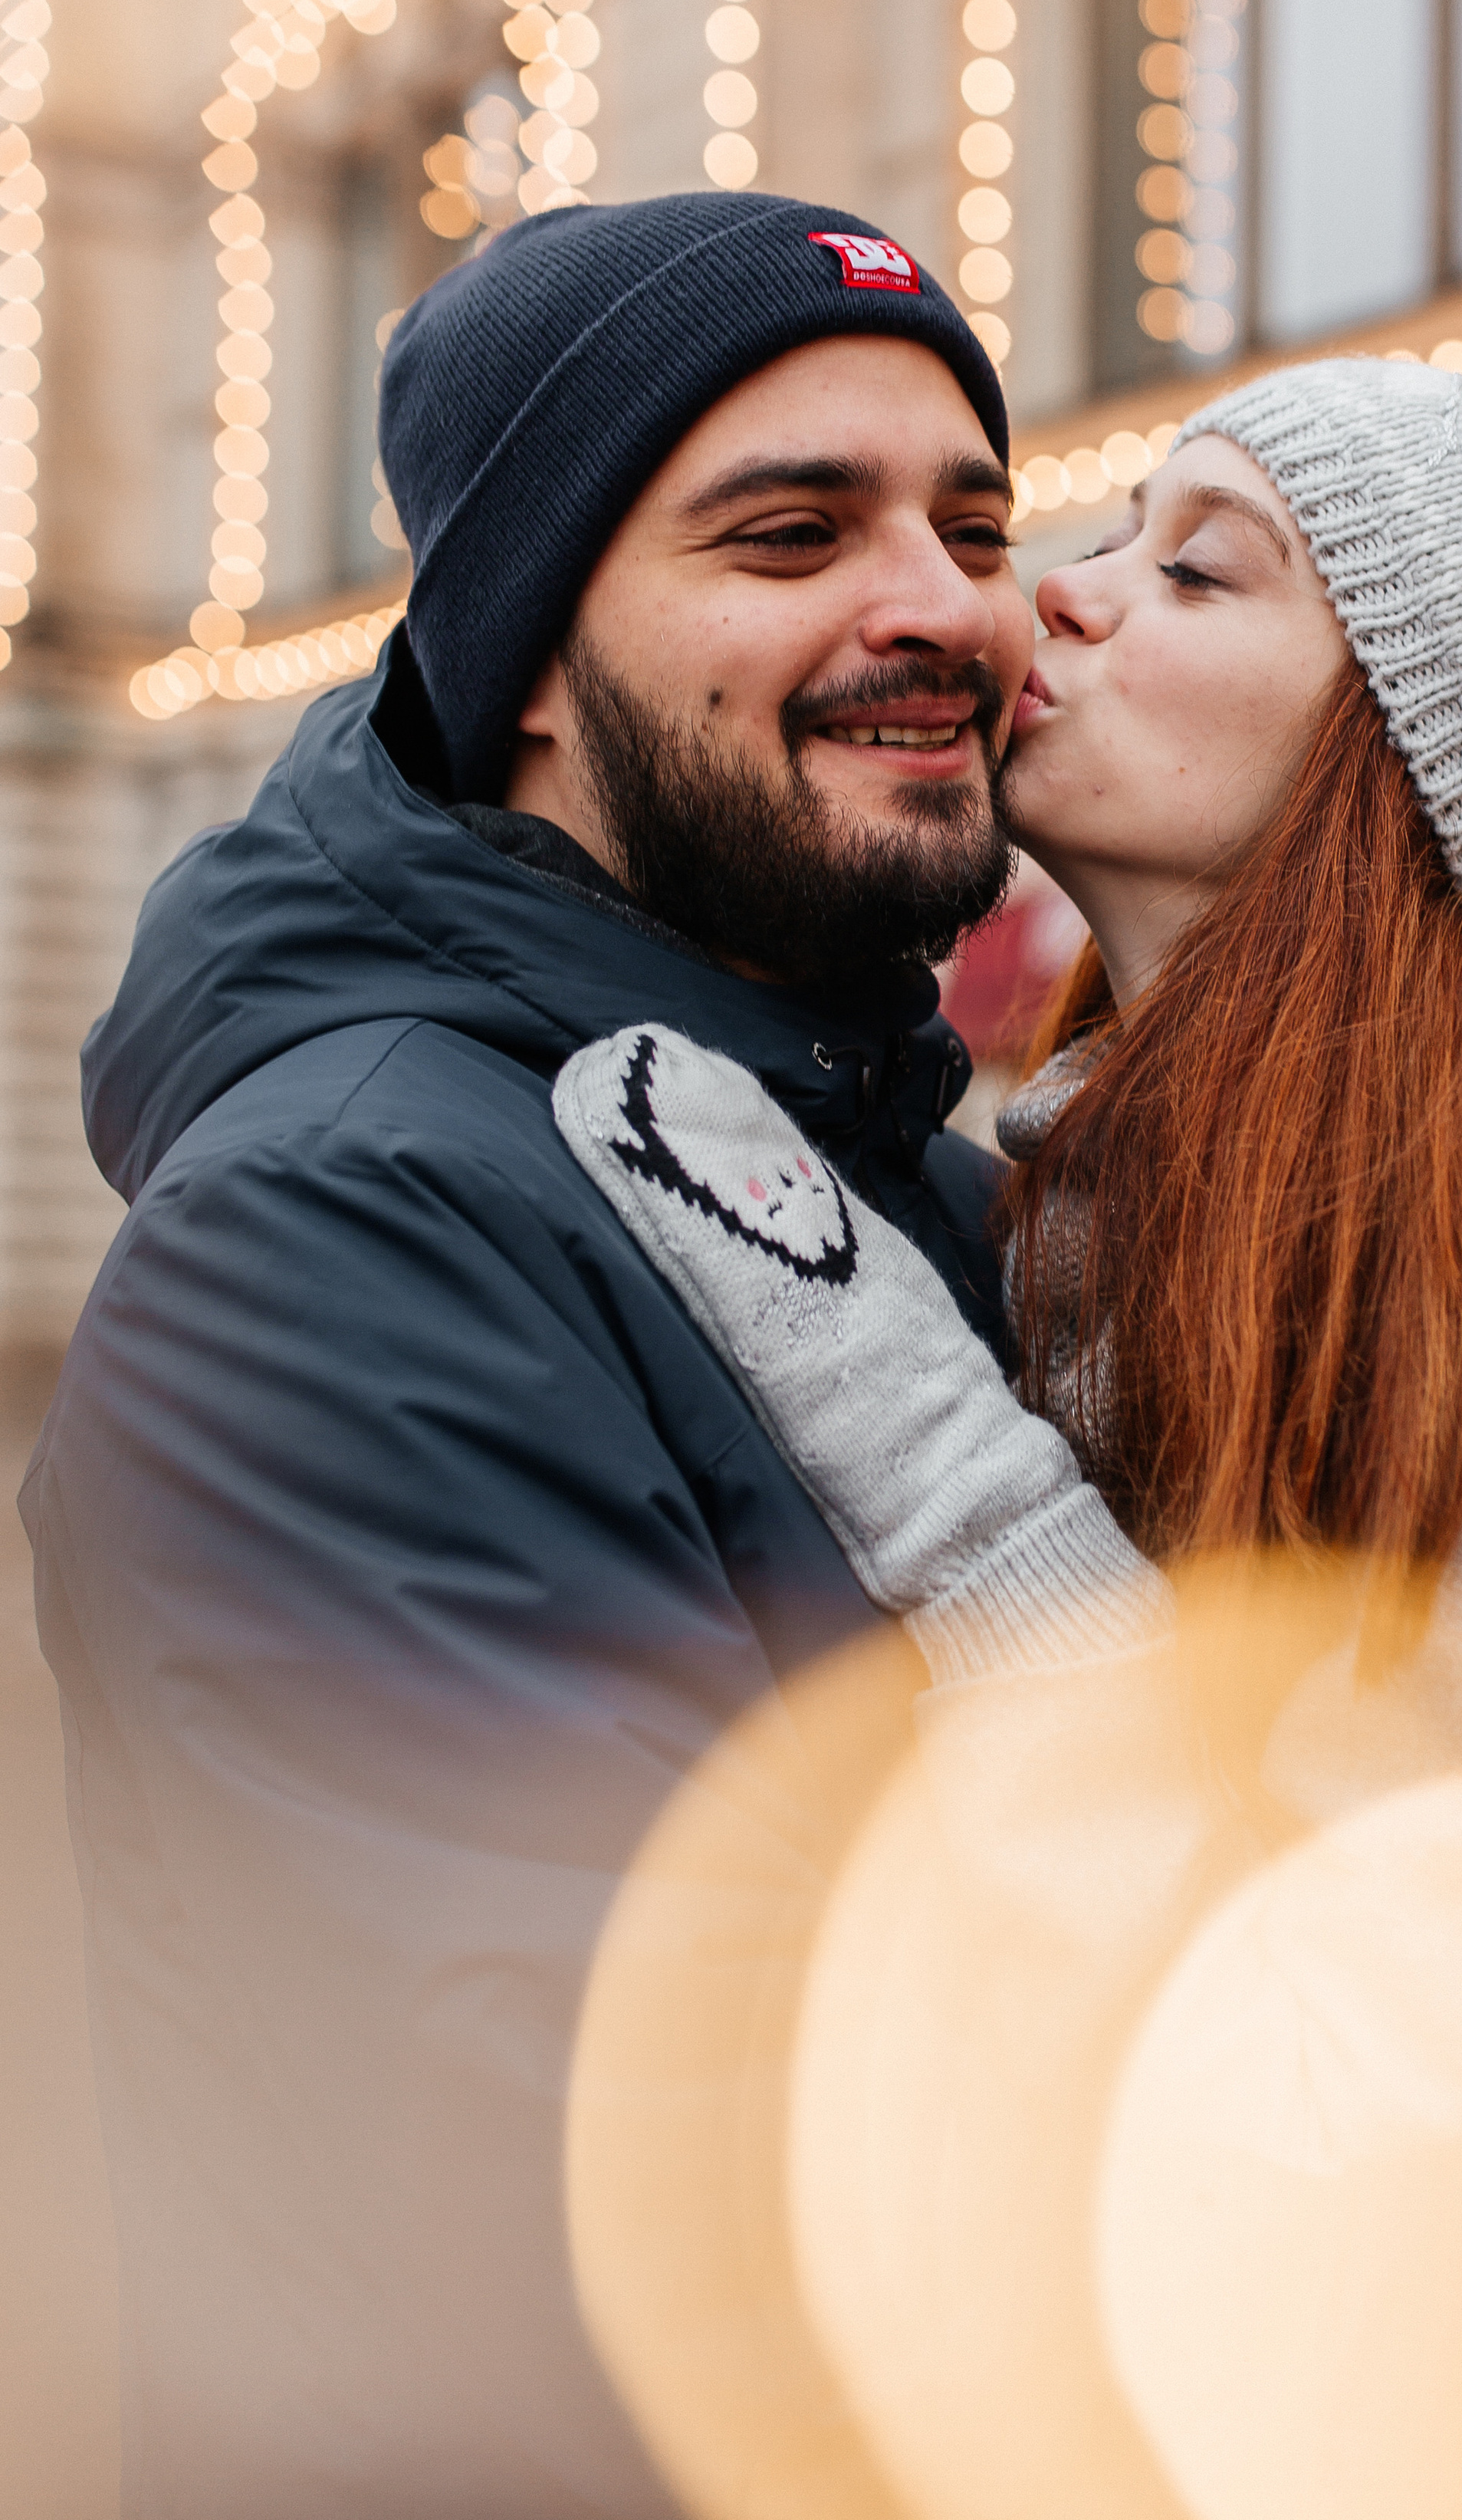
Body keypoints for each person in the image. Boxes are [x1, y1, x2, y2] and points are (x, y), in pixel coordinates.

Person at [556, 355, 1462, 2512]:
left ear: (1400, 771)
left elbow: (1384, 2135)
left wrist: (964, 1501)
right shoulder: (1128, 1215)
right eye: (1108, 539)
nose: (1069, 601)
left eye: (1203, 573)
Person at [26, 192, 1155, 2520]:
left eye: (970, 521)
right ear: (531, 653)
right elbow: (618, 2135)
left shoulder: (894, 1178)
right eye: (786, 533)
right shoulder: (346, 1224)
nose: (941, 605)